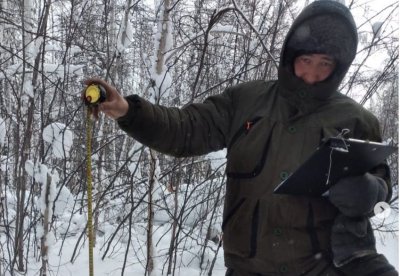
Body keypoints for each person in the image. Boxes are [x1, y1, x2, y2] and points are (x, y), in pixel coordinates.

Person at [84, 1, 398, 275]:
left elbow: (382, 186)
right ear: (291, 56)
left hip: (321, 269)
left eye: (324, 64)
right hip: (249, 269)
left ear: (338, 67)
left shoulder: (357, 120)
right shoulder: (247, 101)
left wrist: (373, 191)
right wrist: (129, 111)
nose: (312, 74)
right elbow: (185, 128)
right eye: (306, 61)